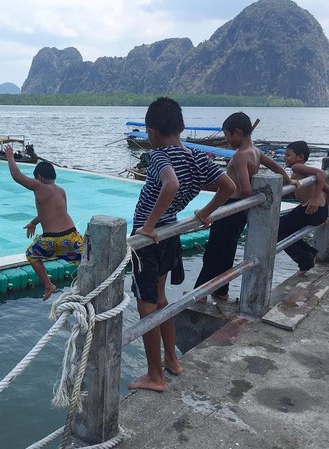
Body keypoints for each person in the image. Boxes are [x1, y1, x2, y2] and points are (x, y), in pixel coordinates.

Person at [129, 97, 235, 392]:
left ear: (150, 132)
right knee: (160, 299)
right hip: (170, 234)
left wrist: (147, 226)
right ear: (182, 126)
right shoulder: (195, 156)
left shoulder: (160, 156)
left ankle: (154, 376)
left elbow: (171, 184)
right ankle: (172, 361)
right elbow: (230, 187)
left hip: (149, 241)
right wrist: (204, 212)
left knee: (146, 305)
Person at [194, 112, 297, 301]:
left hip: (232, 206)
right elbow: (276, 167)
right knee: (227, 250)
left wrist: (244, 207)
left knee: (214, 252)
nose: (226, 140)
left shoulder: (241, 155)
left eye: (227, 135)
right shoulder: (256, 151)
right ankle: (221, 290)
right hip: (239, 211)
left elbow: (245, 189)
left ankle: (199, 293)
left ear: (238, 132)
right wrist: (290, 180)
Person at [4, 144, 83, 300]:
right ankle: (89, 285)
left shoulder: (39, 186)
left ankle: (48, 285)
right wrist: (33, 222)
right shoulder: (61, 190)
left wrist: (10, 157)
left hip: (51, 240)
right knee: (86, 261)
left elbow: (17, 175)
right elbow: (54, 213)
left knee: (31, 254)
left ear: (39, 177)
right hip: (71, 237)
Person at [277, 141, 328, 274]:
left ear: (299, 157)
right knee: (283, 227)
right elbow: (327, 189)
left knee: (274, 228)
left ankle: (305, 259)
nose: (285, 158)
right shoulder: (303, 173)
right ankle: (309, 253)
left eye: (288, 155)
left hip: (311, 211)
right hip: (319, 211)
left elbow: (321, 174)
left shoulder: (297, 168)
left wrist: (316, 198)